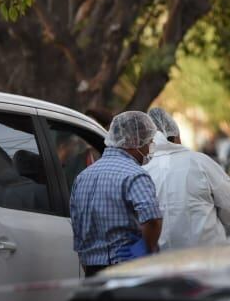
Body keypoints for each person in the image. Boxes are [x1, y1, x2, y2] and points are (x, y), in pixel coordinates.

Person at [69, 111, 163, 276]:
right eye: (148, 142)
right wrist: (146, 248)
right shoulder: (135, 174)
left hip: (92, 271)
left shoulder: (82, 177)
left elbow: (77, 227)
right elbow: (153, 219)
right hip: (127, 268)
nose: (149, 148)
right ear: (134, 141)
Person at [144, 108, 230, 249]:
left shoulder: (141, 171)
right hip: (207, 259)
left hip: (159, 265)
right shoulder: (199, 162)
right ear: (175, 137)